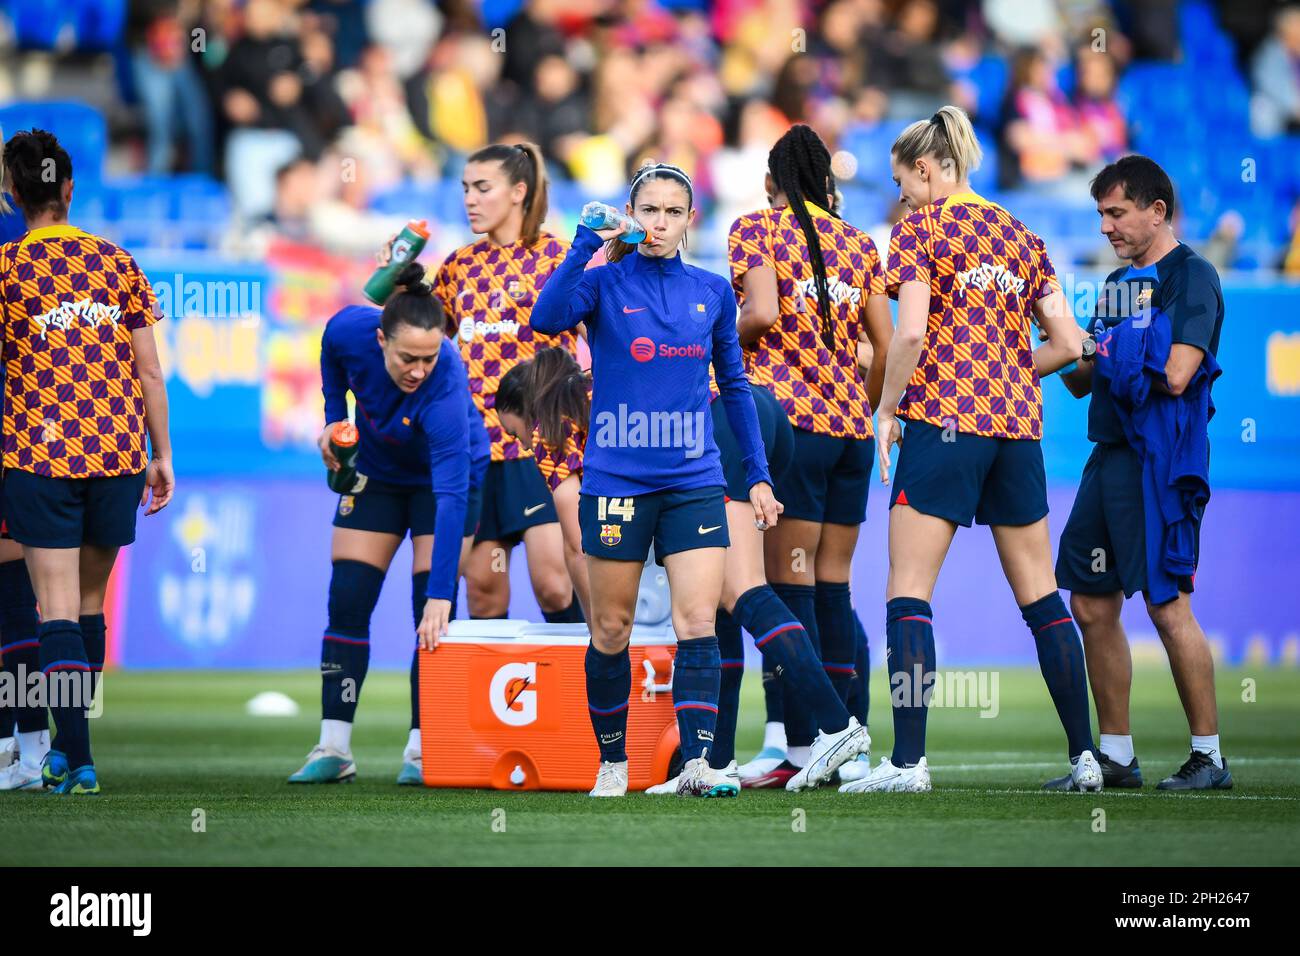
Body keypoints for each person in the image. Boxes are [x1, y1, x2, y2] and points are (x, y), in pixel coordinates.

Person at [845, 106, 1097, 794]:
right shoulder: (1022, 233)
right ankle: (1086, 758)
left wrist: (887, 410)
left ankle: (908, 764)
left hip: (944, 422)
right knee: (1043, 597)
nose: (902, 197)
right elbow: (1073, 347)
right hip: (1016, 428)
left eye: (902, 183)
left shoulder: (921, 228)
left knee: (908, 591)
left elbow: (910, 334)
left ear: (924, 170)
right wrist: (1012, 366)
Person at [531, 161, 782, 797]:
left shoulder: (713, 290)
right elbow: (546, 316)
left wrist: (755, 474)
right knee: (610, 630)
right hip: (616, 478)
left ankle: (697, 763)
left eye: (673, 211)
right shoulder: (605, 283)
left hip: (695, 479)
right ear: (633, 216)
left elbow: (735, 384)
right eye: (650, 210)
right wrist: (586, 241)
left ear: (689, 219)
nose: (661, 222)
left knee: (697, 622)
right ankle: (613, 762)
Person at [0, 129, 175, 795]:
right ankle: (75, 754)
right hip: (117, 452)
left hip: (39, 456)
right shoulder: (117, 261)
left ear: (14, 195)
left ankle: (74, 758)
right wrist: (162, 456)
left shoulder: (7, 269)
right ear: (69, 189)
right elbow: (150, 373)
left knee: (56, 611)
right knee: (91, 605)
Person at [1051, 155, 1231, 791]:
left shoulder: (1194, 277)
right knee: (1091, 602)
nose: (1106, 226)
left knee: (1166, 606)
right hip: (1110, 457)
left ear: (1157, 211)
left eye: (1117, 212)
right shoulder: (1118, 284)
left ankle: (1209, 756)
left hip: (1161, 459)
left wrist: (1106, 348)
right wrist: (1062, 333)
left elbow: (1178, 372)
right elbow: (1081, 379)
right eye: (1101, 214)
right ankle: (1118, 755)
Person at [730, 124, 895, 788]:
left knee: (787, 585)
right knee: (833, 586)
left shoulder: (755, 229)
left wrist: (717, 332)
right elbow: (884, 345)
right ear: (828, 182)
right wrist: (866, 404)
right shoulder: (859, 243)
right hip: (850, 432)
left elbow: (763, 314)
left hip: (791, 427)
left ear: (772, 182)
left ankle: (805, 746)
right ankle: (845, 745)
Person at [288, 262, 489, 786]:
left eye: (428, 357)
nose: (418, 370)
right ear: (380, 339)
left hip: (442, 484)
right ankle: (333, 747)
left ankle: (423, 750)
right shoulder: (348, 330)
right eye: (407, 358)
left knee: (429, 610)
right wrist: (334, 417)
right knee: (348, 598)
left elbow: (450, 496)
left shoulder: (445, 386)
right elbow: (332, 359)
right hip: (377, 473)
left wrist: (445, 593)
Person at [432, 143, 583, 625]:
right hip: (479, 451)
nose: (470, 199)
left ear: (519, 191)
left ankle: (587, 695)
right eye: (465, 189)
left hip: (540, 447)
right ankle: (489, 703)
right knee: (483, 594)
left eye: (482, 188)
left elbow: (600, 335)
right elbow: (423, 342)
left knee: (555, 585)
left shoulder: (558, 258)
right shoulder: (457, 266)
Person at [494, 348, 592, 619]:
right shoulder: (594, 389)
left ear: (528, 411)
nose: (524, 445)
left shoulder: (547, 432)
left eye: (515, 433)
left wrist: (600, 637)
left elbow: (579, 548)